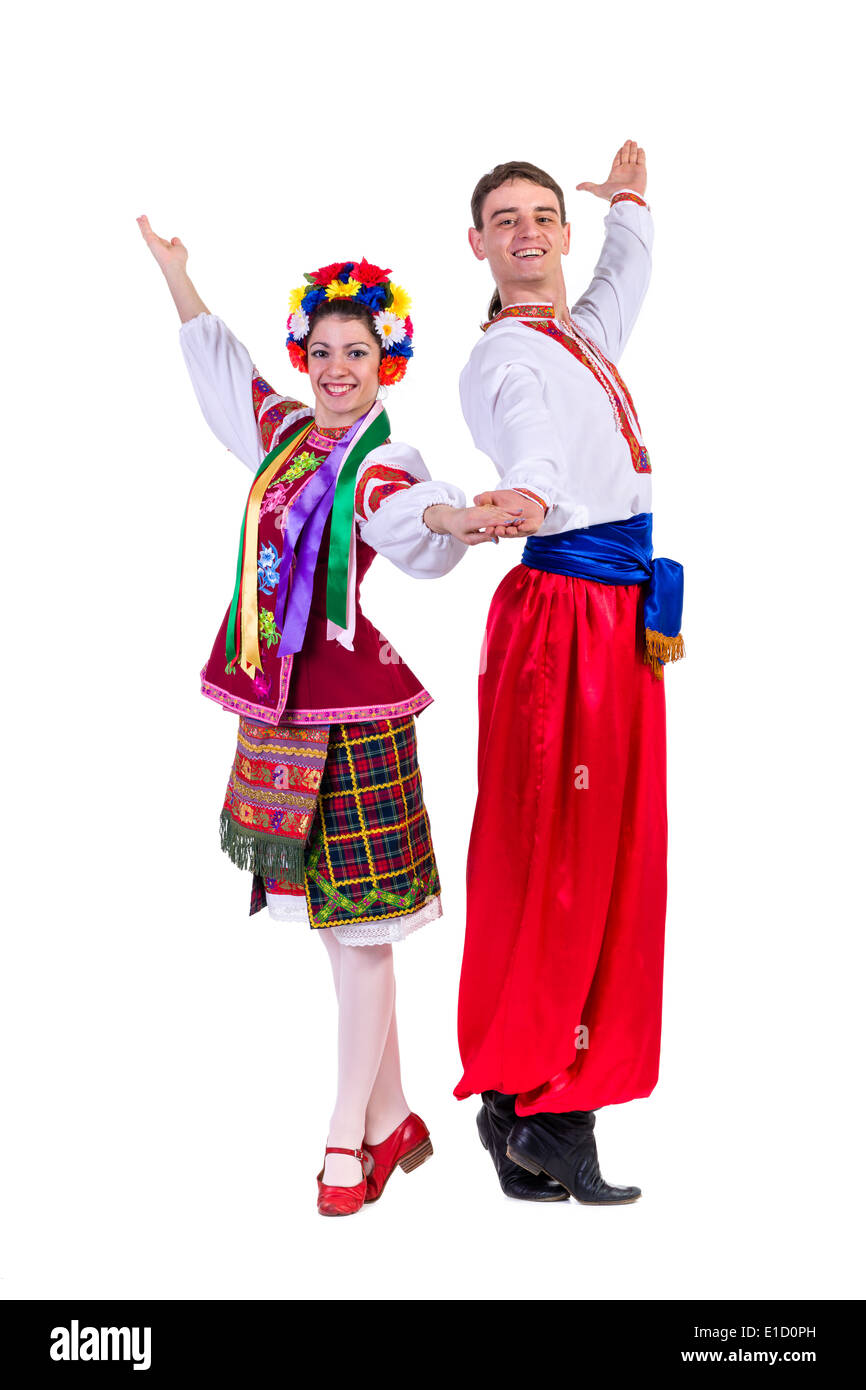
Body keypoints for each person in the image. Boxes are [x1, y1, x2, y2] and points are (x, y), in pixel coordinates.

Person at [138, 219, 518, 1216]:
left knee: (360, 934)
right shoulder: (283, 434)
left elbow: (412, 511)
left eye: (357, 352)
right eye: (321, 352)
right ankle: (392, 1115)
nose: (336, 368)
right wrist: (180, 280)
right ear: (303, 357)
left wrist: (456, 517)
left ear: (386, 358)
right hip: (276, 703)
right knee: (337, 930)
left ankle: (345, 1138)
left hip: (351, 713)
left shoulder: (382, 462)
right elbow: (226, 381)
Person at [453, 142, 684, 1204]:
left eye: (543, 215)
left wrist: (627, 197)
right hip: (568, 624)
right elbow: (532, 443)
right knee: (567, 855)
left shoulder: (573, 335)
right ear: (479, 245)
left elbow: (623, 278)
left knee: (598, 847)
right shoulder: (506, 360)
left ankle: (518, 1112)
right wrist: (530, 498)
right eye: (506, 219)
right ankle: (549, 1105)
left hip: (614, 614)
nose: (529, 231)